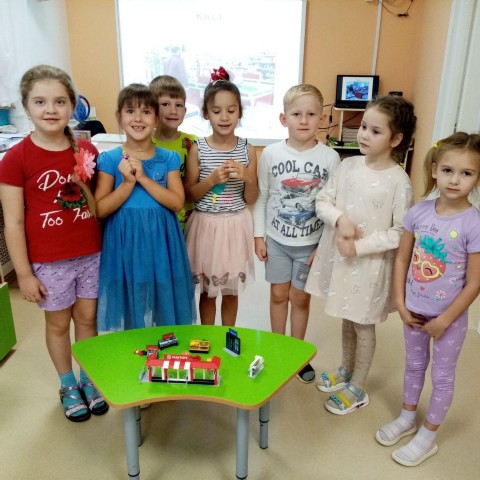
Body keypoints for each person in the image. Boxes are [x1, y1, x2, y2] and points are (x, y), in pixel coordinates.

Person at [0, 64, 108, 422]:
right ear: (26, 106)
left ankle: (89, 378)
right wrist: (24, 274)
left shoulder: (87, 150)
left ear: (72, 105)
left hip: (91, 255)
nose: (50, 109)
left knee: (88, 320)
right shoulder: (16, 158)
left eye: (60, 101)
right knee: (59, 325)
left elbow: (98, 205)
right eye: (40, 101)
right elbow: (13, 222)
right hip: (49, 262)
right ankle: (67, 384)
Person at [305, 95, 417, 411]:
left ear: (395, 139)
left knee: (363, 323)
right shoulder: (348, 165)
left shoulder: (399, 182)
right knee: (347, 315)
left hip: (369, 267)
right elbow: (322, 201)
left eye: (375, 131)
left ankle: (357, 386)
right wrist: (340, 219)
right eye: (364, 126)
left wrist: (359, 246)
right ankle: (345, 368)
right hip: (342, 261)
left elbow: (400, 232)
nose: (364, 134)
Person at [375, 132, 480, 466]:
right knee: (414, 365)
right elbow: (402, 260)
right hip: (414, 312)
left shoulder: (474, 223)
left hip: (449, 319)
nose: (455, 180)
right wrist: (401, 303)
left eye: (467, 173)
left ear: (477, 178)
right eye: (448, 170)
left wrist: (445, 320)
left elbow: (475, 282)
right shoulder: (418, 213)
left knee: (442, 375)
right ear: (434, 170)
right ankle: (408, 417)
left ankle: (429, 435)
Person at [253, 84, 340, 383]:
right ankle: (279, 348)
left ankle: (297, 354)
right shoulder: (271, 154)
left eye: (311, 114)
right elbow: (263, 197)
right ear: (283, 118)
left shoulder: (330, 158)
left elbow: (333, 206)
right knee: (279, 294)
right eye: (296, 114)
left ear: (321, 119)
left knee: (300, 299)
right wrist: (259, 236)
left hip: (311, 245)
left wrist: (324, 246)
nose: (304, 120)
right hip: (277, 241)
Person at [94, 83, 195, 331]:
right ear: (119, 117)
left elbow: (177, 202)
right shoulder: (109, 159)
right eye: (130, 111)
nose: (138, 118)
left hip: (162, 245)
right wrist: (128, 183)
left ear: (156, 119)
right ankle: (135, 349)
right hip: (124, 246)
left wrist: (143, 178)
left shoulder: (169, 158)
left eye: (146, 112)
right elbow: (101, 209)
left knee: (164, 297)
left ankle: (166, 348)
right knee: (132, 301)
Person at [184, 67, 258, 326]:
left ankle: (228, 336)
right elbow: (189, 194)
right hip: (206, 226)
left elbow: (251, 198)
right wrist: (211, 181)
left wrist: (248, 177)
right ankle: (208, 337)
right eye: (216, 111)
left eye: (231, 110)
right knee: (207, 291)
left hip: (235, 226)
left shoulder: (247, 149)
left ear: (240, 112)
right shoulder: (198, 148)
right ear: (206, 113)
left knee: (230, 290)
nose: (224, 117)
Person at [149, 75, 196, 230]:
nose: (173, 111)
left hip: (187, 222)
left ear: (185, 111)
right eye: (165, 104)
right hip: (156, 221)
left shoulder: (193, 143)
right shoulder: (144, 143)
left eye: (179, 105)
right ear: (152, 108)